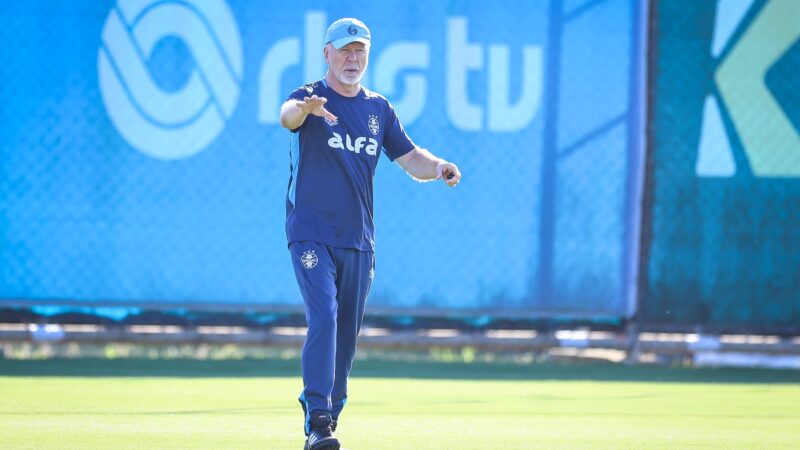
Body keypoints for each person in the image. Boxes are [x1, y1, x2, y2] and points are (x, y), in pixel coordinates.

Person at [279, 17, 461, 450]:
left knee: (345, 333)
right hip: (310, 233)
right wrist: (305, 110)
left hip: (358, 240)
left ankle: (325, 408)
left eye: (360, 50)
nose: (352, 58)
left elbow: (410, 156)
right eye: (344, 50)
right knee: (323, 315)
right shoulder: (309, 96)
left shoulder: (379, 109)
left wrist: (437, 168)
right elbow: (287, 118)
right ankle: (319, 420)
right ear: (327, 53)